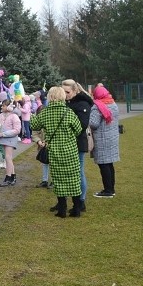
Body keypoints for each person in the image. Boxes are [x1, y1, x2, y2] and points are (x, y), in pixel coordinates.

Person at [31, 87, 83, 217]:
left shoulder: (45, 113)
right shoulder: (69, 112)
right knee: (74, 178)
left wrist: (31, 115)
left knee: (58, 180)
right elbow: (78, 129)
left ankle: (62, 210)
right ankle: (76, 209)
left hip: (54, 151)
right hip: (70, 151)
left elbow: (34, 126)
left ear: (50, 97)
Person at [62, 79, 93, 211]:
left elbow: (82, 125)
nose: (65, 94)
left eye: (67, 92)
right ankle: (62, 200)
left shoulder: (82, 103)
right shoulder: (66, 102)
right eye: (62, 92)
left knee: (78, 172)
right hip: (66, 142)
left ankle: (81, 201)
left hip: (78, 142)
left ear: (75, 90)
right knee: (63, 172)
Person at [89, 85, 120, 198]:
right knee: (109, 164)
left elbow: (94, 123)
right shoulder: (113, 103)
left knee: (104, 165)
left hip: (102, 138)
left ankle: (108, 190)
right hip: (112, 138)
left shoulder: (97, 106)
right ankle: (111, 188)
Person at [0, 99, 22, 187]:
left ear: (9, 107)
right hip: (2, 139)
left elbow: (17, 130)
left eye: (3, 105)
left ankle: (8, 177)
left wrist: (4, 134)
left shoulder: (14, 116)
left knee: (7, 158)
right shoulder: (1, 115)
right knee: (9, 158)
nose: (2, 107)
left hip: (10, 139)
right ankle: (13, 177)